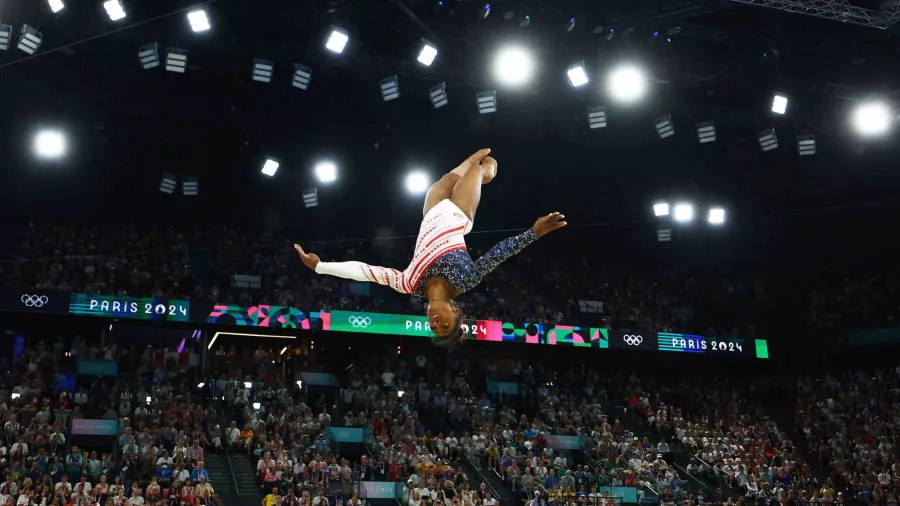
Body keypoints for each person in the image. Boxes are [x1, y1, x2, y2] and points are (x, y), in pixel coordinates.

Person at [295, 149, 567, 345]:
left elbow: (366, 271)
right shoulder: (466, 280)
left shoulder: (408, 283)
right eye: (444, 324)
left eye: (433, 326)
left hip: (431, 213)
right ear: (456, 311)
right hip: (460, 213)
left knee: (444, 180)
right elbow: (499, 252)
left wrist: (320, 267)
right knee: (478, 167)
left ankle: (471, 167)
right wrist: (535, 232)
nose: (436, 321)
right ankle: (489, 170)